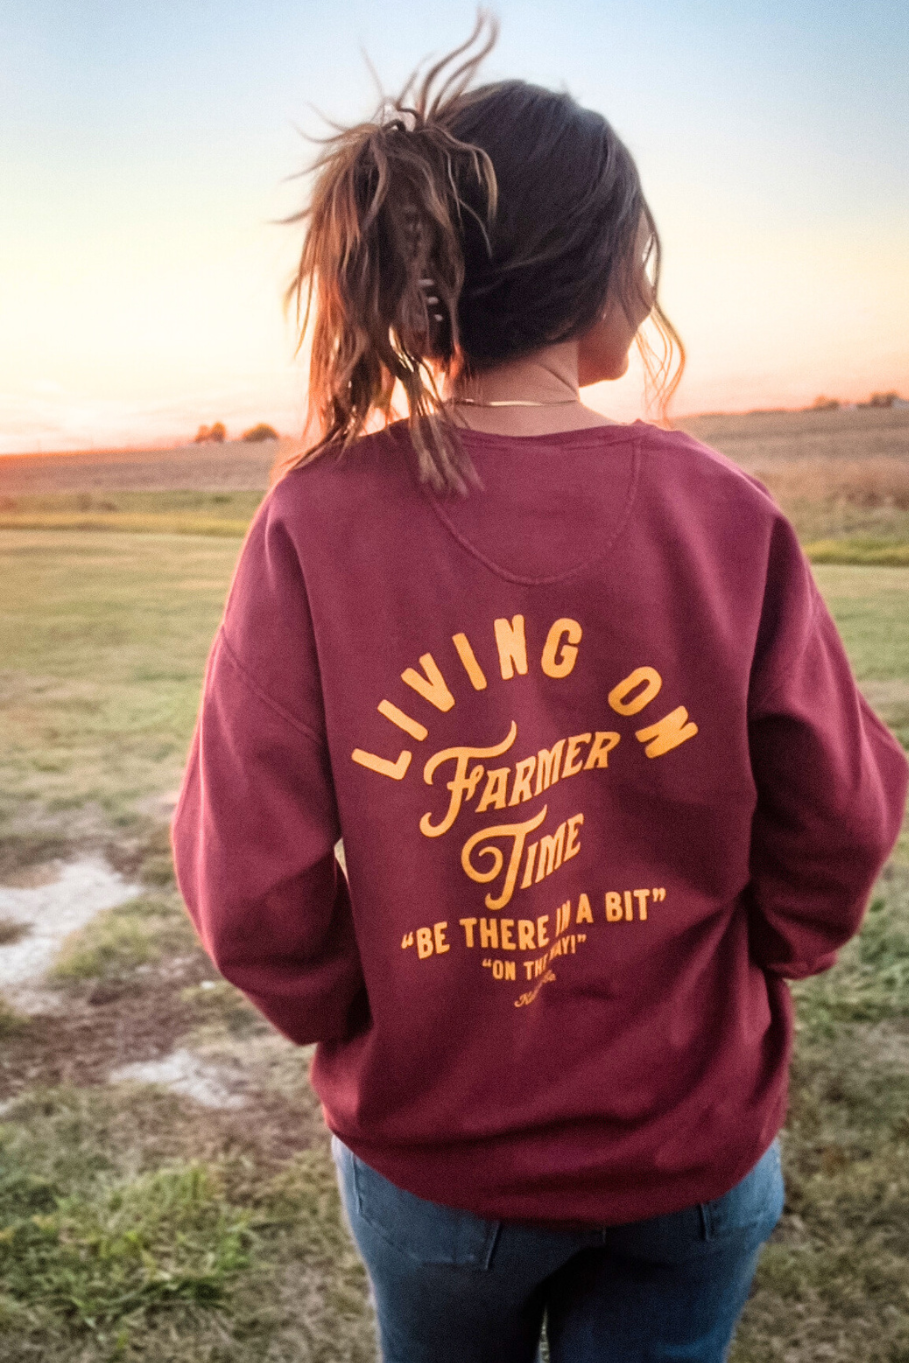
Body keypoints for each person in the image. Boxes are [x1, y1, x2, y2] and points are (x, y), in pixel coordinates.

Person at [171, 19, 908, 1362]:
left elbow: (249, 886)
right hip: (689, 1150)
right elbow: (842, 817)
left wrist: (366, 1014)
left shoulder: (317, 521)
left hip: (438, 1165)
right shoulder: (722, 514)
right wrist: (764, 958)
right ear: (606, 269)